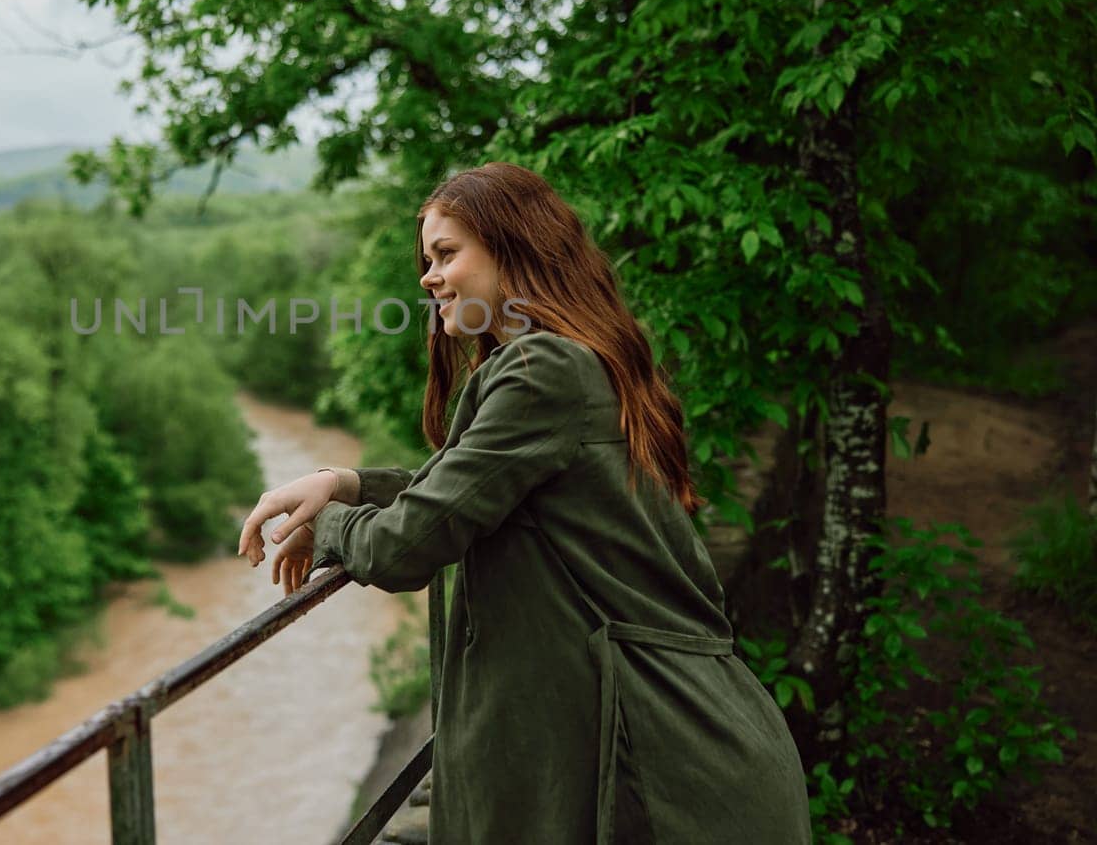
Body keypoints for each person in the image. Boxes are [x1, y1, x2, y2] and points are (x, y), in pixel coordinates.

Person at [238, 162, 811, 844]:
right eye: (427, 260)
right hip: (666, 745)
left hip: (664, 768)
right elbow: (472, 488)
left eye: (446, 253)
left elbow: (407, 544)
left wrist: (329, 524)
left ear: (515, 249)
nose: (427, 276)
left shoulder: (545, 370)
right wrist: (346, 484)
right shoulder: (568, 361)